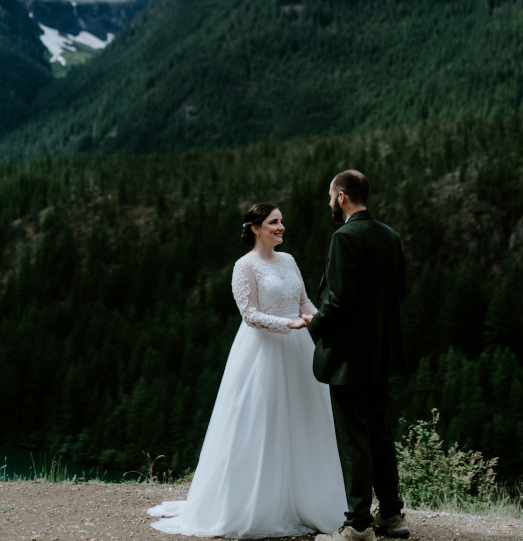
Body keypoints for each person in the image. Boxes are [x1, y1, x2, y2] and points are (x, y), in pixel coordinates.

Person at [148, 203, 346, 538]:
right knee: (259, 424)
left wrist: (322, 321)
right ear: (255, 228)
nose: (281, 227)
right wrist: (291, 324)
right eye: (274, 222)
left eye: (282, 221)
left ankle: (306, 500)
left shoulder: (289, 261)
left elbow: (304, 303)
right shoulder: (245, 266)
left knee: (303, 421)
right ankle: (256, 503)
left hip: (297, 349)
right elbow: (250, 314)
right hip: (261, 353)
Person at [307, 170, 410, 541]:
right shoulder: (390, 235)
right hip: (382, 354)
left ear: (342, 197)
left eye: (331, 196)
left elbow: (336, 299)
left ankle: (358, 525)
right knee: (380, 432)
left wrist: (314, 323)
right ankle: (393, 517)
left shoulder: (345, 238)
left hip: (350, 357)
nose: (329, 203)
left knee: (354, 439)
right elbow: (399, 291)